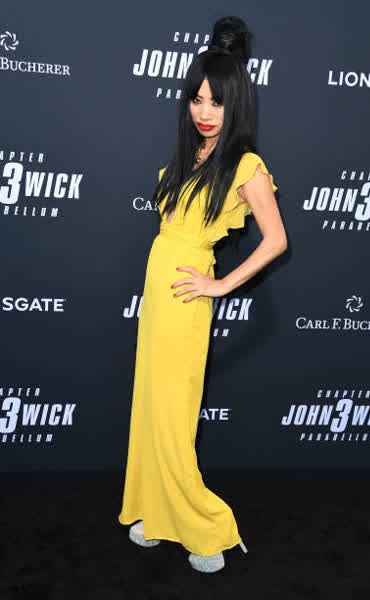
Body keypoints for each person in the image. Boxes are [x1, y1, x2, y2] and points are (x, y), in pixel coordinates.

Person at [118, 15, 287, 573]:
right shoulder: (190, 156)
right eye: (197, 99)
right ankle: (155, 510)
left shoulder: (246, 165)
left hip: (187, 302)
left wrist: (218, 285)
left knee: (174, 416)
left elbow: (277, 239)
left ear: (237, 104)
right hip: (157, 296)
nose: (205, 111)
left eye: (216, 101)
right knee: (152, 410)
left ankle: (206, 529)